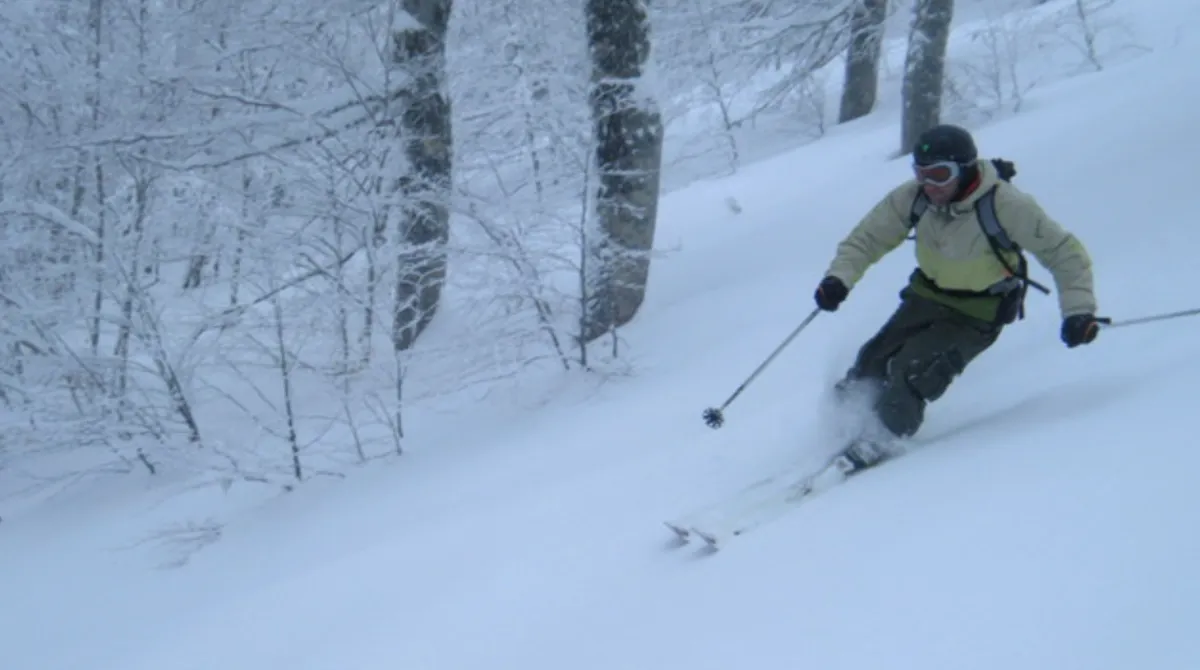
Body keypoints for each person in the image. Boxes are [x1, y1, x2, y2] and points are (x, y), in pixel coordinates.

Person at [813, 123, 1102, 473]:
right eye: (921, 173)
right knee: (873, 360)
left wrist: (1078, 311)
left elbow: (1064, 253)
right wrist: (838, 280)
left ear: (964, 169)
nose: (929, 185)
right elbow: (866, 239)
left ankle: (883, 436)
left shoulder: (1006, 205)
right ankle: (839, 425)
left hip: (978, 312)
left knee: (913, 370)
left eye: (939, 174)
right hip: (925, 296)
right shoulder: (914, 197)